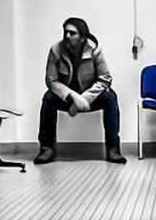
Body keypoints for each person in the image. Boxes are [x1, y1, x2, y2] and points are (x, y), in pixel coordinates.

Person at [35, 17, 126, 165]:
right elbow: (51, 81)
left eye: (72, 33)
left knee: (110, 97)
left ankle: (113, 149)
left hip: (89, 97)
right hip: (66, 97)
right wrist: (72, 96)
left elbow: (105, 79)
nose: (67, 36)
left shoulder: (95, 50)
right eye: (65, 32)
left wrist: (83, 99)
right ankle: (46, 148)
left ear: (83, 37)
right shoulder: (55, 50)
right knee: (48, 98)